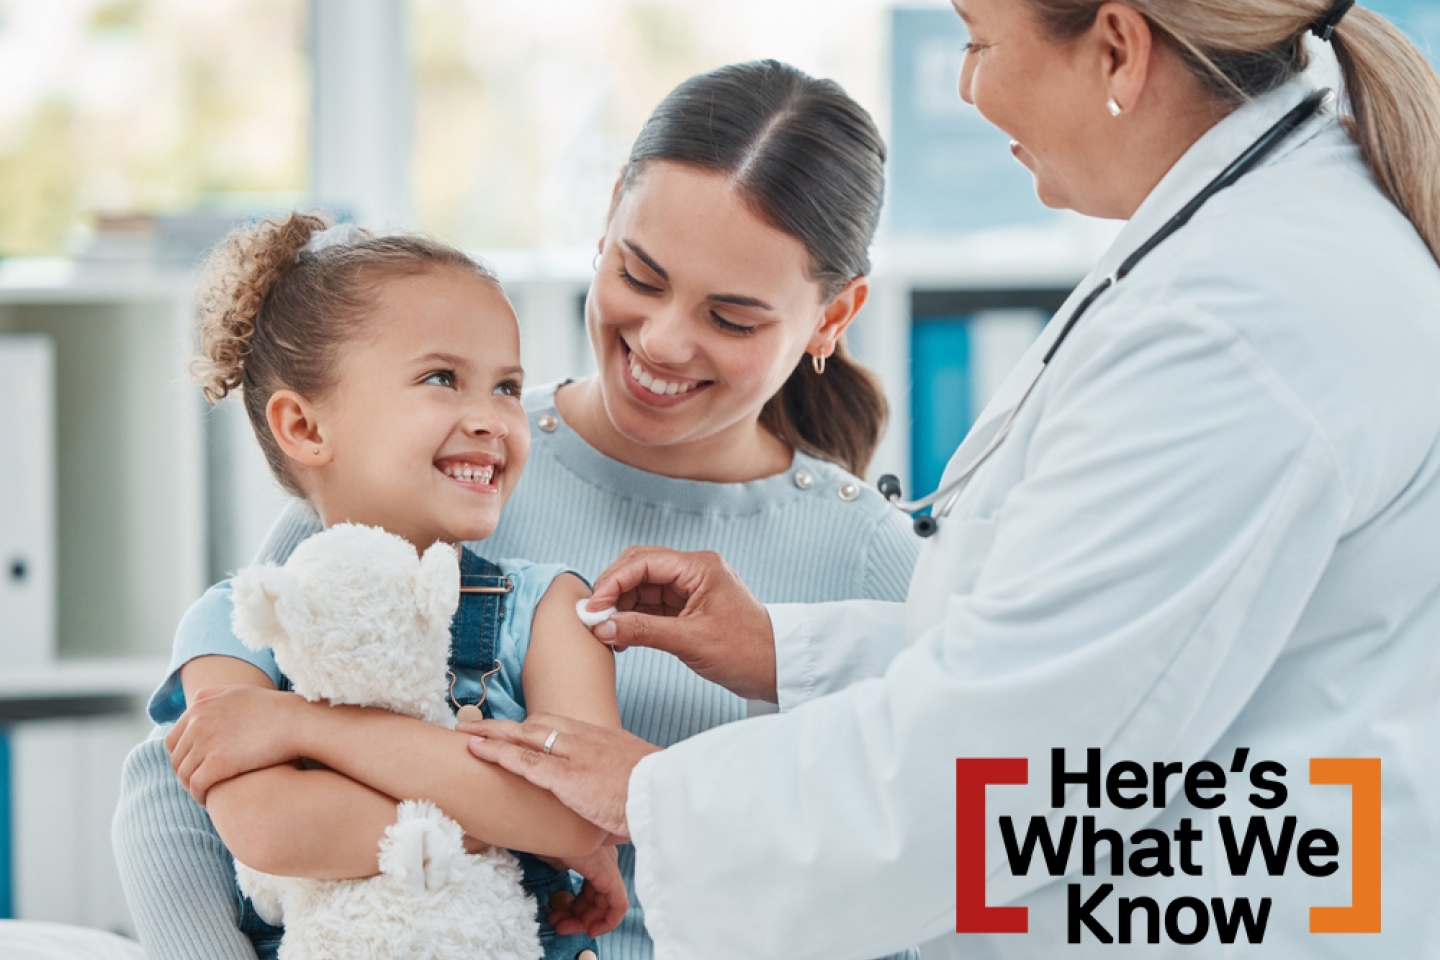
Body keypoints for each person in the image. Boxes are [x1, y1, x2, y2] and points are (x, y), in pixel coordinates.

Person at [454, 1, 1440, 957]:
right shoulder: (1250, 253)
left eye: (977, 41)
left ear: (1118, 51)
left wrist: (653, 797)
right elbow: (1077, 666)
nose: (966, 85)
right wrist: (784, 651)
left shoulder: (1237, 324)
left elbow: (1011, 755)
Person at [112, 62, 922, 960]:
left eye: (732, 319)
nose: (661, 341)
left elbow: (945, 858)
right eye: (639, 275)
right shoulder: (435, 469)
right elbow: (177, 786)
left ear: (832, 314)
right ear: (610, 213)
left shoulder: (868, 561)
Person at [140, 211, 627, 960]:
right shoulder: (236, 625)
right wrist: (507, 817)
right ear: (304, 427)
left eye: (506, 386)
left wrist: (304, 729)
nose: (493, 418)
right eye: (442, 378)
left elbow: (575, 817)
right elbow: (272, 829)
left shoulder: (555, 608)